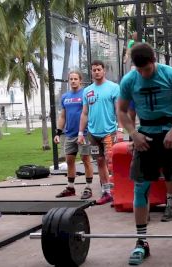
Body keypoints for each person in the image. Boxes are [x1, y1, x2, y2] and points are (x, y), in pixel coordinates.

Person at [118, 43, 172, 265]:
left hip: (171, 134)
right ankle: (141, 242)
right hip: (145, 137)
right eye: (140, 69)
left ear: (154, 60)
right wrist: (133, 133)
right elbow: (122, 110)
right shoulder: (129, 80)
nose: (144, 73)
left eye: (147, 68)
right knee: (140, 187)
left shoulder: (171, 75)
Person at [78, 60, 120, 205]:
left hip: (109, 132)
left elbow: (118, 110)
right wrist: (80, 133)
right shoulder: (87, 91)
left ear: (104, 71)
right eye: (94, 70)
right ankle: (106, 192)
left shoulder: (114, 88)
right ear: (91, 72)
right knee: (100, 161)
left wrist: (119, 129)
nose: (96, 72)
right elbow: (84, 113)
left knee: (111, 162)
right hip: (92, 134)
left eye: (98, 69)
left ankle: (118, 193)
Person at [54, 70, 94, 199]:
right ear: (68, 80)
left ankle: (88, 188)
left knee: (85, 160)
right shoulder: (65, 96)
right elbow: (62, 116)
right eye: (71, 79)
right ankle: (70, 188)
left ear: (80, 80)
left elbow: (88, 113)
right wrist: (58, 133)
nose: (73, 81)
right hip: (70, 134)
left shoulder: (85, 94)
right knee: (69, 160)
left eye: (75, 79)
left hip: (84, 133)